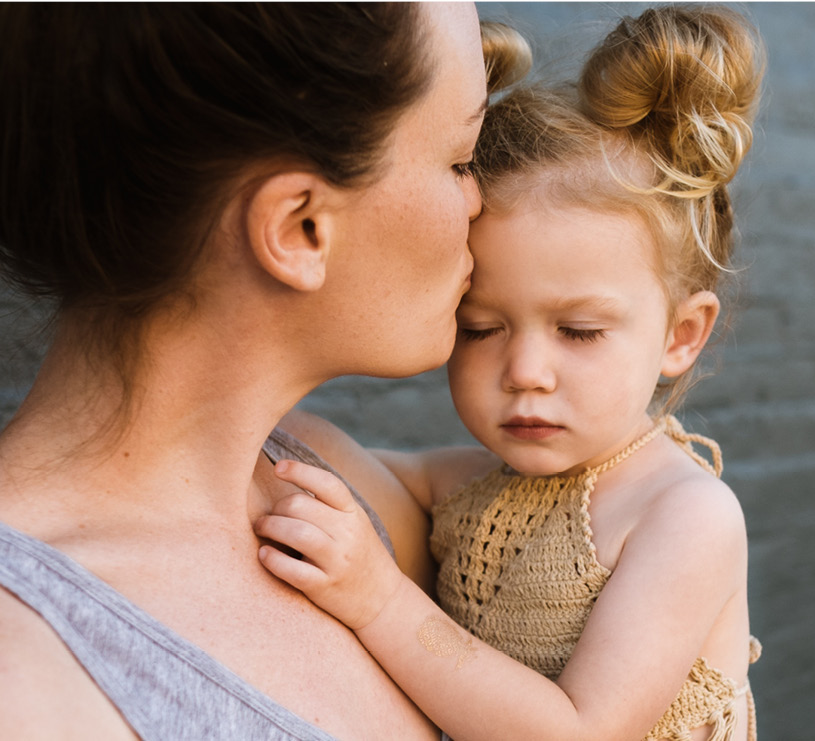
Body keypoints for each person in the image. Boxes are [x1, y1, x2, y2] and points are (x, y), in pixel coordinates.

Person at [255, 6, 766, 741]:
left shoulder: (683, 515)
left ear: (680, 336)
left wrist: (377, 600)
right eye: (481, 327)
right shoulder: (469, 487)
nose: (525, 371)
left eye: (578, 331)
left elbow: (578, 731)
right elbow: (328, 459)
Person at [0, 3, 505, 738]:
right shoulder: (26, 677)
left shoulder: (333, 485)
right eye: (459, 160)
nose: (479, 200)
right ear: (300, 227)